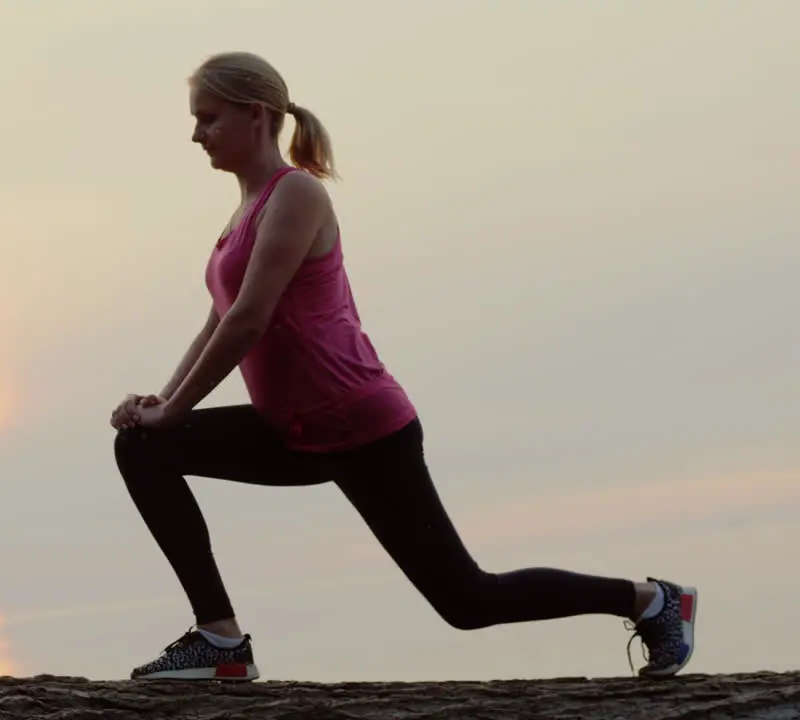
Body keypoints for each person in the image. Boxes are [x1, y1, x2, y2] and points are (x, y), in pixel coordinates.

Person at [109, 51, 697, 683]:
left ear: (255, 115)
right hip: (293, 430)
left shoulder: (295, 194)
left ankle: (654, 601)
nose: (196, 134)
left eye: (208, 118)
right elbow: (217, 321)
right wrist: (160, 405)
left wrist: (174, 411)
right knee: (143, 447)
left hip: (364, 428)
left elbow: (249, 320)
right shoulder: (242, 211)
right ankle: (220, 642)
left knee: (469, 601)